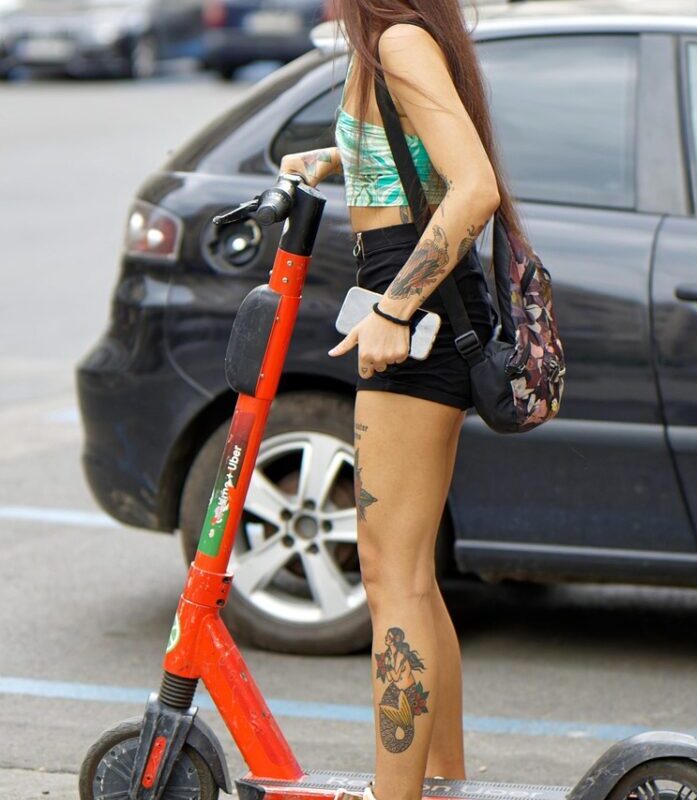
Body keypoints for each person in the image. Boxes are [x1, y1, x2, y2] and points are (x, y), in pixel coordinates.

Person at [279, 3, 534, 799]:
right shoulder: (382, 44)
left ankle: (398, 795)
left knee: (391, 579)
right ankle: (444, 783)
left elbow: (474, 191)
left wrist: (394, 307)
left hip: (417, 317)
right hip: (419, 300)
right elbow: (411, 161)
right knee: (411, 577)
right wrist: (336, 159)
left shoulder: (398, 42)